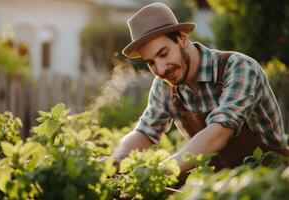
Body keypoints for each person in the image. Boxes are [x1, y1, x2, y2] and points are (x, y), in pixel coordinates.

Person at [112, 3, 289, 173]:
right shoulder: (165, 85)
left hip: (269, 180)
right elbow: (145, 131)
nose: (161, 69)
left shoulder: (238, 67)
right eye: (151, 63)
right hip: (218, 184)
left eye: (164, 54)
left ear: (183, 38)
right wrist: (115, 161)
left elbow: (220, 130)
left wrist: (165, 170)